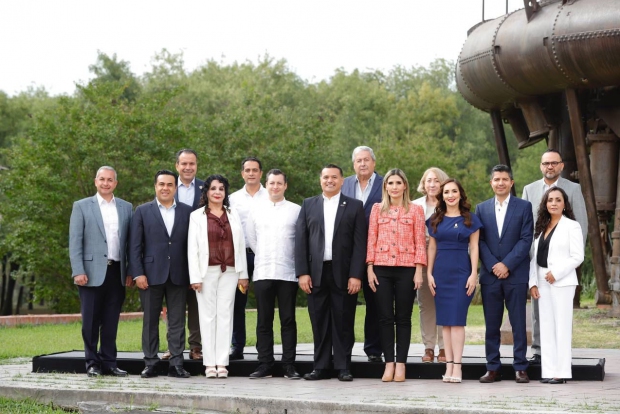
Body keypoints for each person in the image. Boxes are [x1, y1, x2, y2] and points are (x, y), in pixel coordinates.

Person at [295, 164, 366, 381]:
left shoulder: (354, 206)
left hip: (344, 274)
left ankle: (343, 366)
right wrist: (302, 273)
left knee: (343, 320)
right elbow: (301, 241)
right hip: (315, 273)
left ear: (342, 180)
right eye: (326, 177)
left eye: (334, 177)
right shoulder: (308, 205)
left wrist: (356, 274)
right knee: (319, 320)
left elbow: (359, 244)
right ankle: (321, 366)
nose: (330, 181)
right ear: (320, 180)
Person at [522, 149, 587, 365]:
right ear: (541, 166)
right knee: (538, 309)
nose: (550, 166)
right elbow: (525, 226)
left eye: (554, 163)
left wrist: (570, 263)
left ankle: (560, 354)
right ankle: (539, 350)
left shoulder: (574, 189)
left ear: (561, 166)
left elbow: (582, 226)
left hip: (562, 263)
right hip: (536, 261)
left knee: (560, 312)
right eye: (546, 163)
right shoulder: (529, 190)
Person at [69, 166, 133, 378]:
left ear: (116, 183)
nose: (106, 183)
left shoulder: (126, 207)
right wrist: (78, 270)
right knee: (90, 321)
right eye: (102, 179)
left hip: (117, 271)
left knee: (111, 320)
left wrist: (130, 270)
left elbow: (130, 243)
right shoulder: (81, 206)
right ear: (96, 181)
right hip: (90, 272)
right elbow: (75, 241)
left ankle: (109, 363)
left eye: (110, 180)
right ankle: (92, 363)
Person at [129, 170, 193, 379]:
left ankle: (176, 363)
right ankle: (150, 363)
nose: (165, 188)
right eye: (161, 184)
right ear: (155, 186)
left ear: (175, 187)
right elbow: (135, 245)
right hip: (150, 275)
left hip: (179, 275)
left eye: (169, 184)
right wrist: (138, 273)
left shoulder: (187, 212)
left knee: (176, 322)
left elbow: (193, 247)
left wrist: (193, 275)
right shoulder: (142, 211)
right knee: (150, 321)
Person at [366, 168, 426, 382]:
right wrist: (370, 267)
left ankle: (401, 364)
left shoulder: (416, 210)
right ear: (385, 187)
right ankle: (388, 363)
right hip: (381, 268)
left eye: (398, 183)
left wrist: (419, 270)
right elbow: (371, 239)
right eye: (390, 183)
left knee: (403, 318)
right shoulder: (376, 209)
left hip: (407, 268)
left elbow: (420, 241)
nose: (394, 187)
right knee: (384, 317)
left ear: (405, 186)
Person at [475, 165, 533, 384]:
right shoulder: (481, 209)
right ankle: (493, 367)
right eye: (496, 179)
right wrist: (493, 265)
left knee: (518, 323)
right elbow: (479, 241)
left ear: (511, 183)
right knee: (492, 324)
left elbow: (526, 239)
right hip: (490, 276)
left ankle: (520, 367)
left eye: (505, 179)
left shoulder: (524, 207)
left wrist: (506, 264)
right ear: (491, 183)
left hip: (515, 274)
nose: (500, 182)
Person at [188, 175, 249, 379]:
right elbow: (192, 249)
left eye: (221, 189)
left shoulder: (233, 214)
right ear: (206, 192)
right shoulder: (197, 216)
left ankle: (222, 363)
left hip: (230, 271)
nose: (217, 192)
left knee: (225, 315)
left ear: (225, 193)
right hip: (206, 272)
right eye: (213, 188)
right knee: (207, 317)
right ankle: (209, 364)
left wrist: (243, 274)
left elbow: (240, 246)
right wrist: (195, 276)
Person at [246, 169, 302, 380]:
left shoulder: (296, 210)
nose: (275, 187)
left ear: (285, 185)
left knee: (288, 320)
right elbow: (252, 239)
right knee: (264, 320)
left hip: (288, 272)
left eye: (279, 183)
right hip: (263, 271)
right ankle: (265, 364)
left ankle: (289, 365)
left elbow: (299, 241)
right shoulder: (256, 210)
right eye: (272, 183)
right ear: (266, 185)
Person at [427, 179, 482, 383]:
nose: (450, 195)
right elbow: (431, 248)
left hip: (461, 272)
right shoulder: (435, 219)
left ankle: (457, 367)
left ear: (460, 194)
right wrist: (429, 274)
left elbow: (474, 247)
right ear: (442, 196)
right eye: (446, 192)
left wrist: (473, 273)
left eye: (454, 191)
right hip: (440, 273)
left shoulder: (470, 219)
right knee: (445, 323)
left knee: (457, 321)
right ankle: (448, 366)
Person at [529, 187, 584, 384]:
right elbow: (534, 258)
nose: (553, 203)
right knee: (547, 326)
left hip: (562, 281)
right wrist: (533, 282)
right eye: (550, 200)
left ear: (564, 204)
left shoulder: (572, 226)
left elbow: (578, 256)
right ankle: (549, 371)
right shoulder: (541, 227)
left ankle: (561, 372)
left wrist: (557, 273)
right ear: (545, 204)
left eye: (558, 200)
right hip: (542, 281)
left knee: (561, 326)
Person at [160, 149, 204, 362]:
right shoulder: (166, 186)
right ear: (177, 165)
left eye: (192, 163)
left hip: (198, 256)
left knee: (196, 305)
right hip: (172, 257)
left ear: (197, 165)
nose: (188, 167)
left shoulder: (207, 188)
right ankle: (173, 346)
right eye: (184, 163)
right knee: (173, 307)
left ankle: (196, 347)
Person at [342, 145, 384, 363]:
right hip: (348, 253)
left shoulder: (386, 183)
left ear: (374, 163)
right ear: (354, 164)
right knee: (344, 304)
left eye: (367, 160)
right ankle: (342, 350)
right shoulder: (345, 183)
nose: (363, 164)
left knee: (375, 302)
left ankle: (374, 350)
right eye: (359, 160)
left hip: (377, 252)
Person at [228, 156, 269, 360]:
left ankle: (264, 347)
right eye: (247, 170)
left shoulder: (270, 195)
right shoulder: (233, 199)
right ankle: (237, 346)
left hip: (264, 255)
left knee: (264, 302)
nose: (251, 173)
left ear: (261, 173)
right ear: (242, 173)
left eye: (255, 170)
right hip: (240, 256)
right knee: (237, 303)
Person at [413, 167, 449, 363]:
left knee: (444, 303)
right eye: (428, 180)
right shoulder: (414, 205)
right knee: (425, 305)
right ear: (423, 184)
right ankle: (428, 347)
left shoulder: (450, 204)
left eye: (436, 180)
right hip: (422, 260)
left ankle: (444, 347)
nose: (432, 184)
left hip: (445, 259)